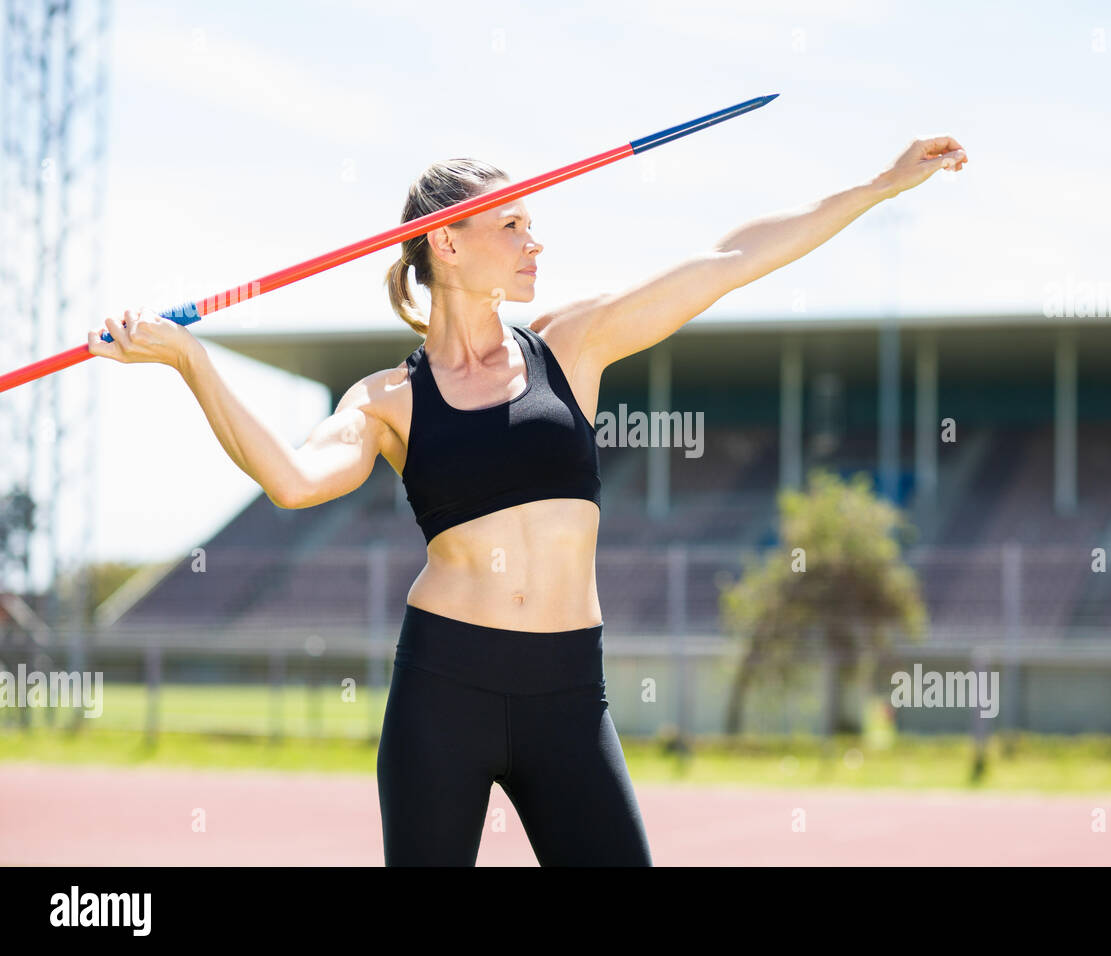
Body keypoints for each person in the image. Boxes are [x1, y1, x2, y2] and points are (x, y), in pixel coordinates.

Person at [89, 136, 968, 866]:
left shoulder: (570, 347)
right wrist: (191, 362)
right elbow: (291, 479)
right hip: (446, 690)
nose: (533, 245)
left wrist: (882, 186)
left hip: (567, 695)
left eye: (533, 225)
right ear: (448, 243)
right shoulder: (388, 399)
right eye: (512, 226)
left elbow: (730, 260)